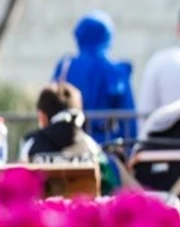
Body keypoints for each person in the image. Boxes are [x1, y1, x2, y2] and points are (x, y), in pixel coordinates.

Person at [51, 11, 138, 146]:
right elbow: (129, 121)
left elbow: (50, 104)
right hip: (104, 145)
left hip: (68, 143)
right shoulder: (115, 71)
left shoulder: (65, 66)